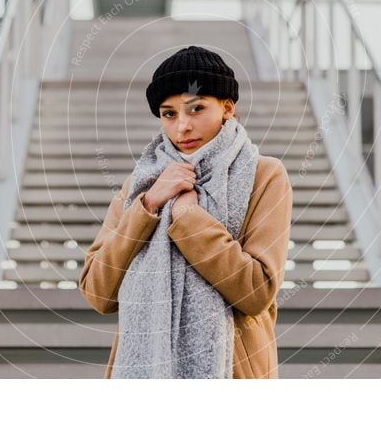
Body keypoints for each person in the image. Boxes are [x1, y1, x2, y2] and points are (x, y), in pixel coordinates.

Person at [78, 45, 293, 379]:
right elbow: (97, 292)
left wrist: (189, 219)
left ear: (227, 108)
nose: (182, 127)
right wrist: (148, 207)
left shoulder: (264, 176)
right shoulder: (140, 186)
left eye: (196, 109)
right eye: (169, 113)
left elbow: (256, 293)